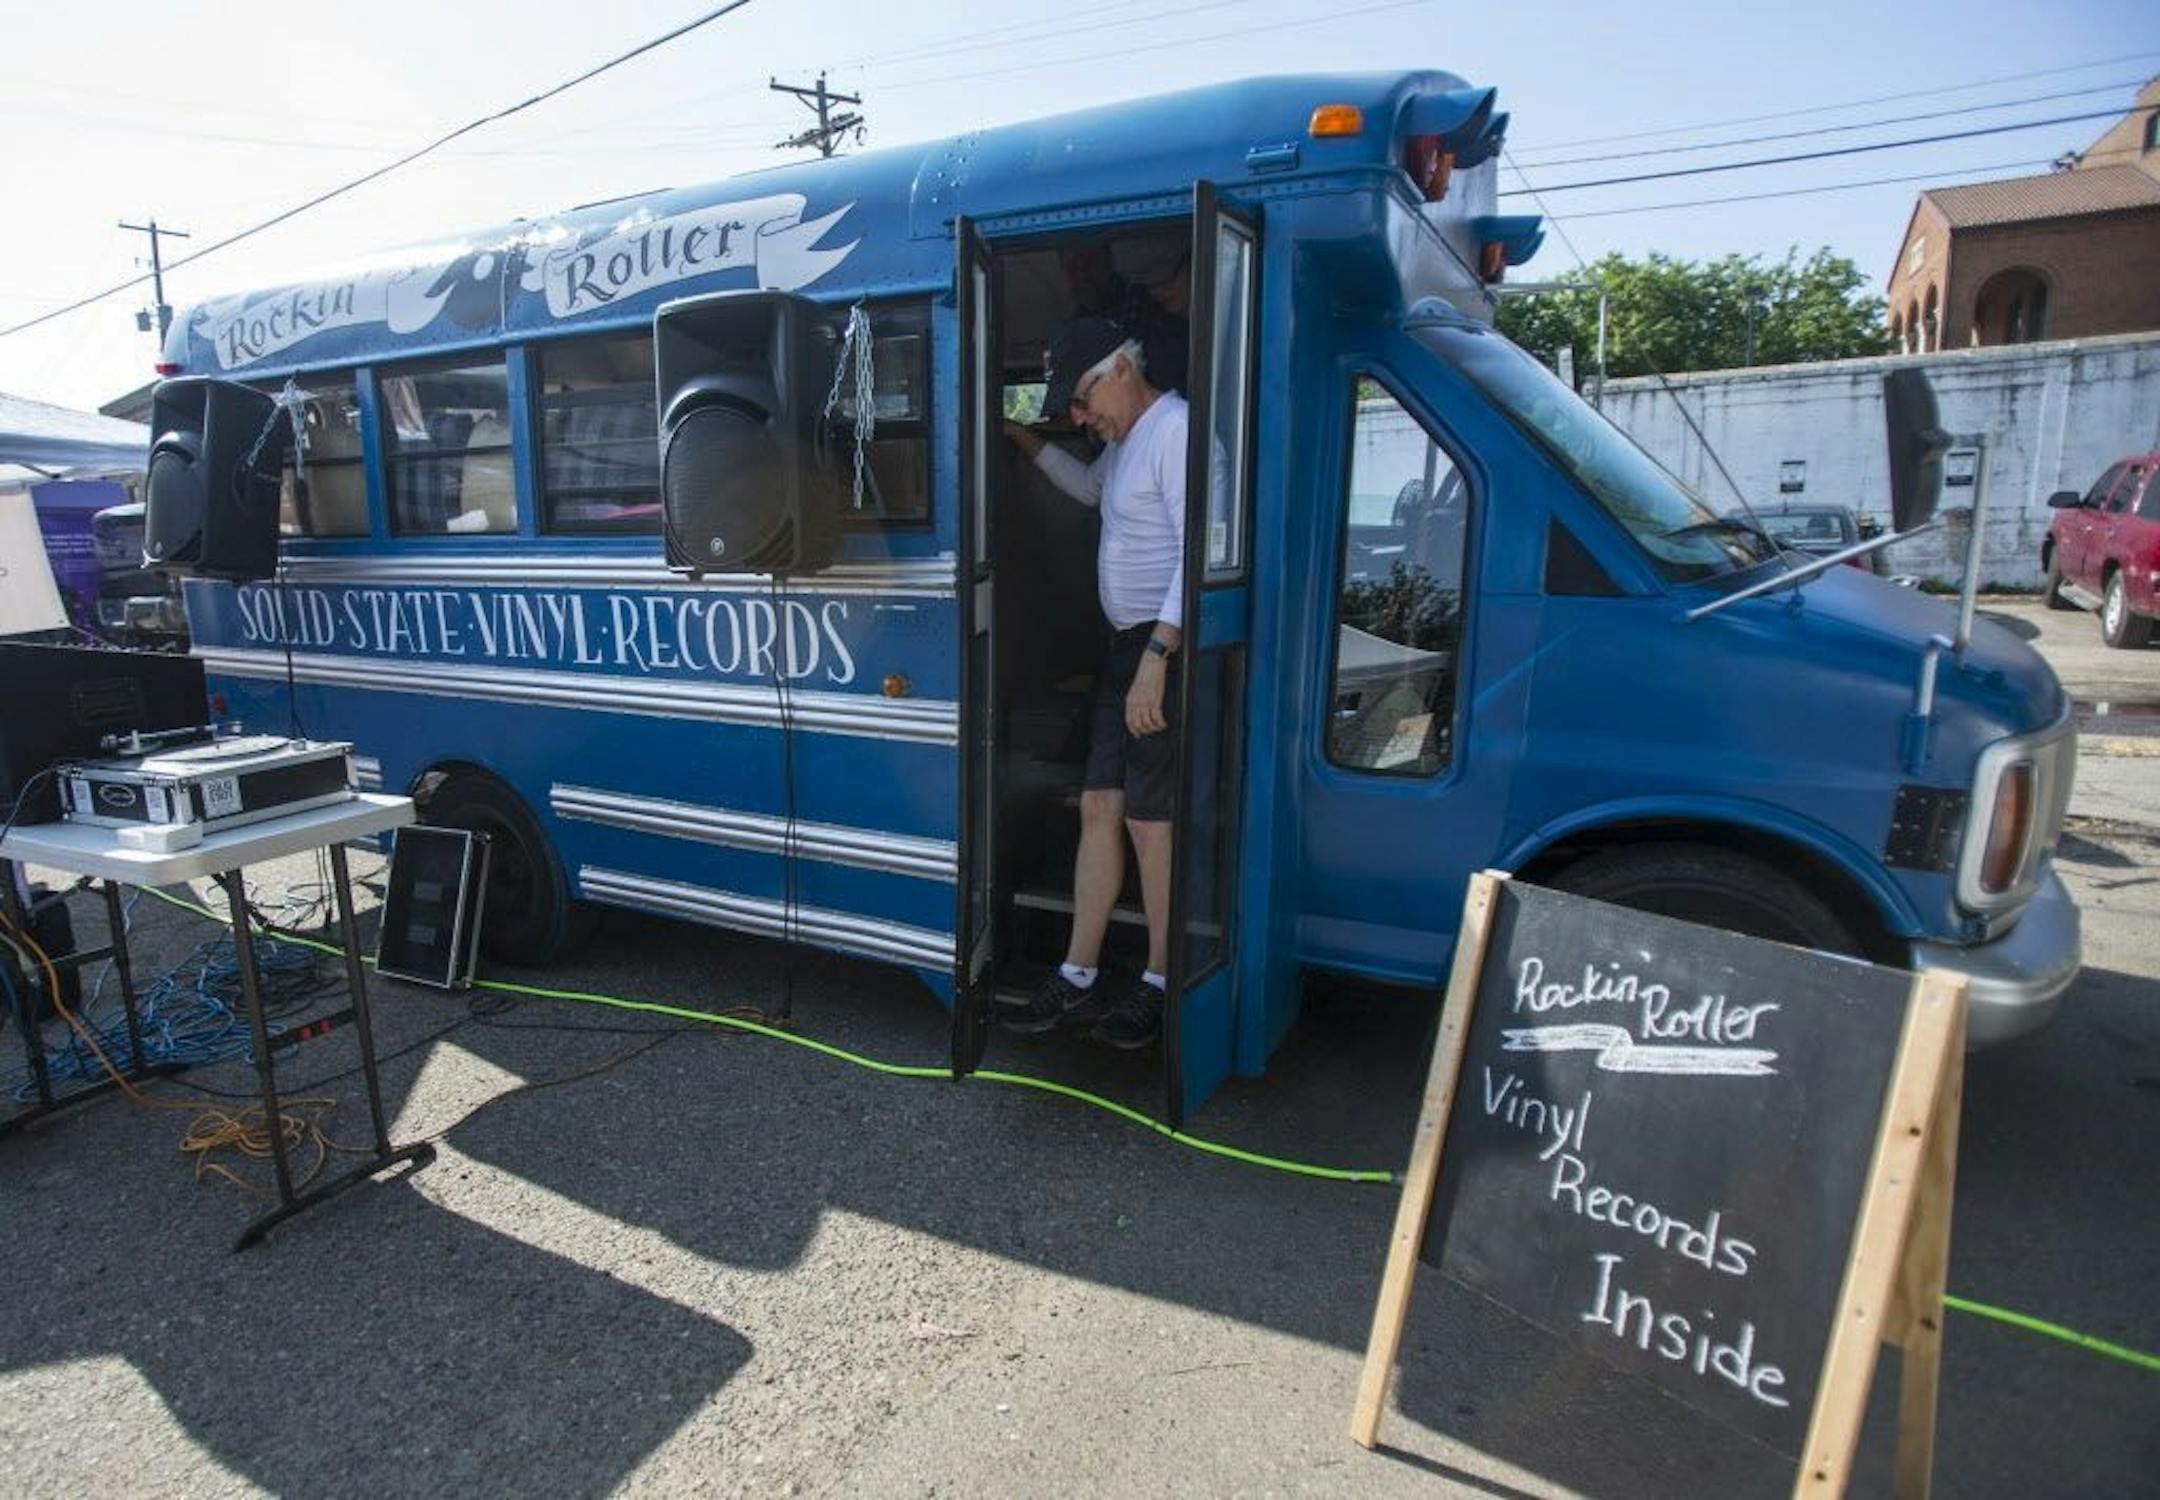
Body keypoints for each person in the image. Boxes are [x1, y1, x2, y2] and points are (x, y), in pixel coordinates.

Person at [997, 314, 1186, 1050]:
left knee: (1149, 819)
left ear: (1120, 370)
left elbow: (1200, 555)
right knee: (1100, 805)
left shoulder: (1175, 432)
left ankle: (1162, 981)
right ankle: (1078, 973)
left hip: (1160, 650)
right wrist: (1015, 434)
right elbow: (1082, 488)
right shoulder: (1127, 442)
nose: (1080, 417)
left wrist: (1159, 656)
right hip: (1125, 651)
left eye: (1080, 400)